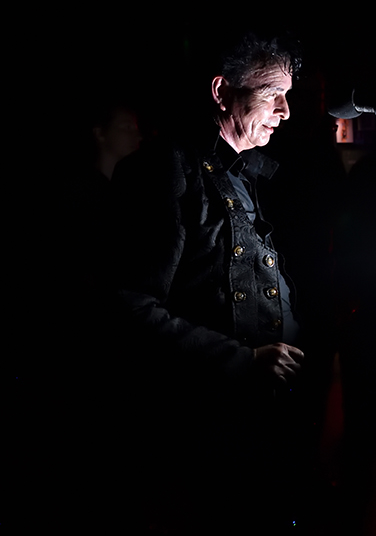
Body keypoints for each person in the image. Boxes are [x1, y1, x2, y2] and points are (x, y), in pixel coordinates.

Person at [107, 31, 308, 534]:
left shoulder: (242, 173)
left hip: (252, 427)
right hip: (196, 434)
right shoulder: (165, 169)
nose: (285, 111)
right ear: (221, 91)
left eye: (287, 95)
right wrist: (242, 360)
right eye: (272, 93)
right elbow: (130, 307)